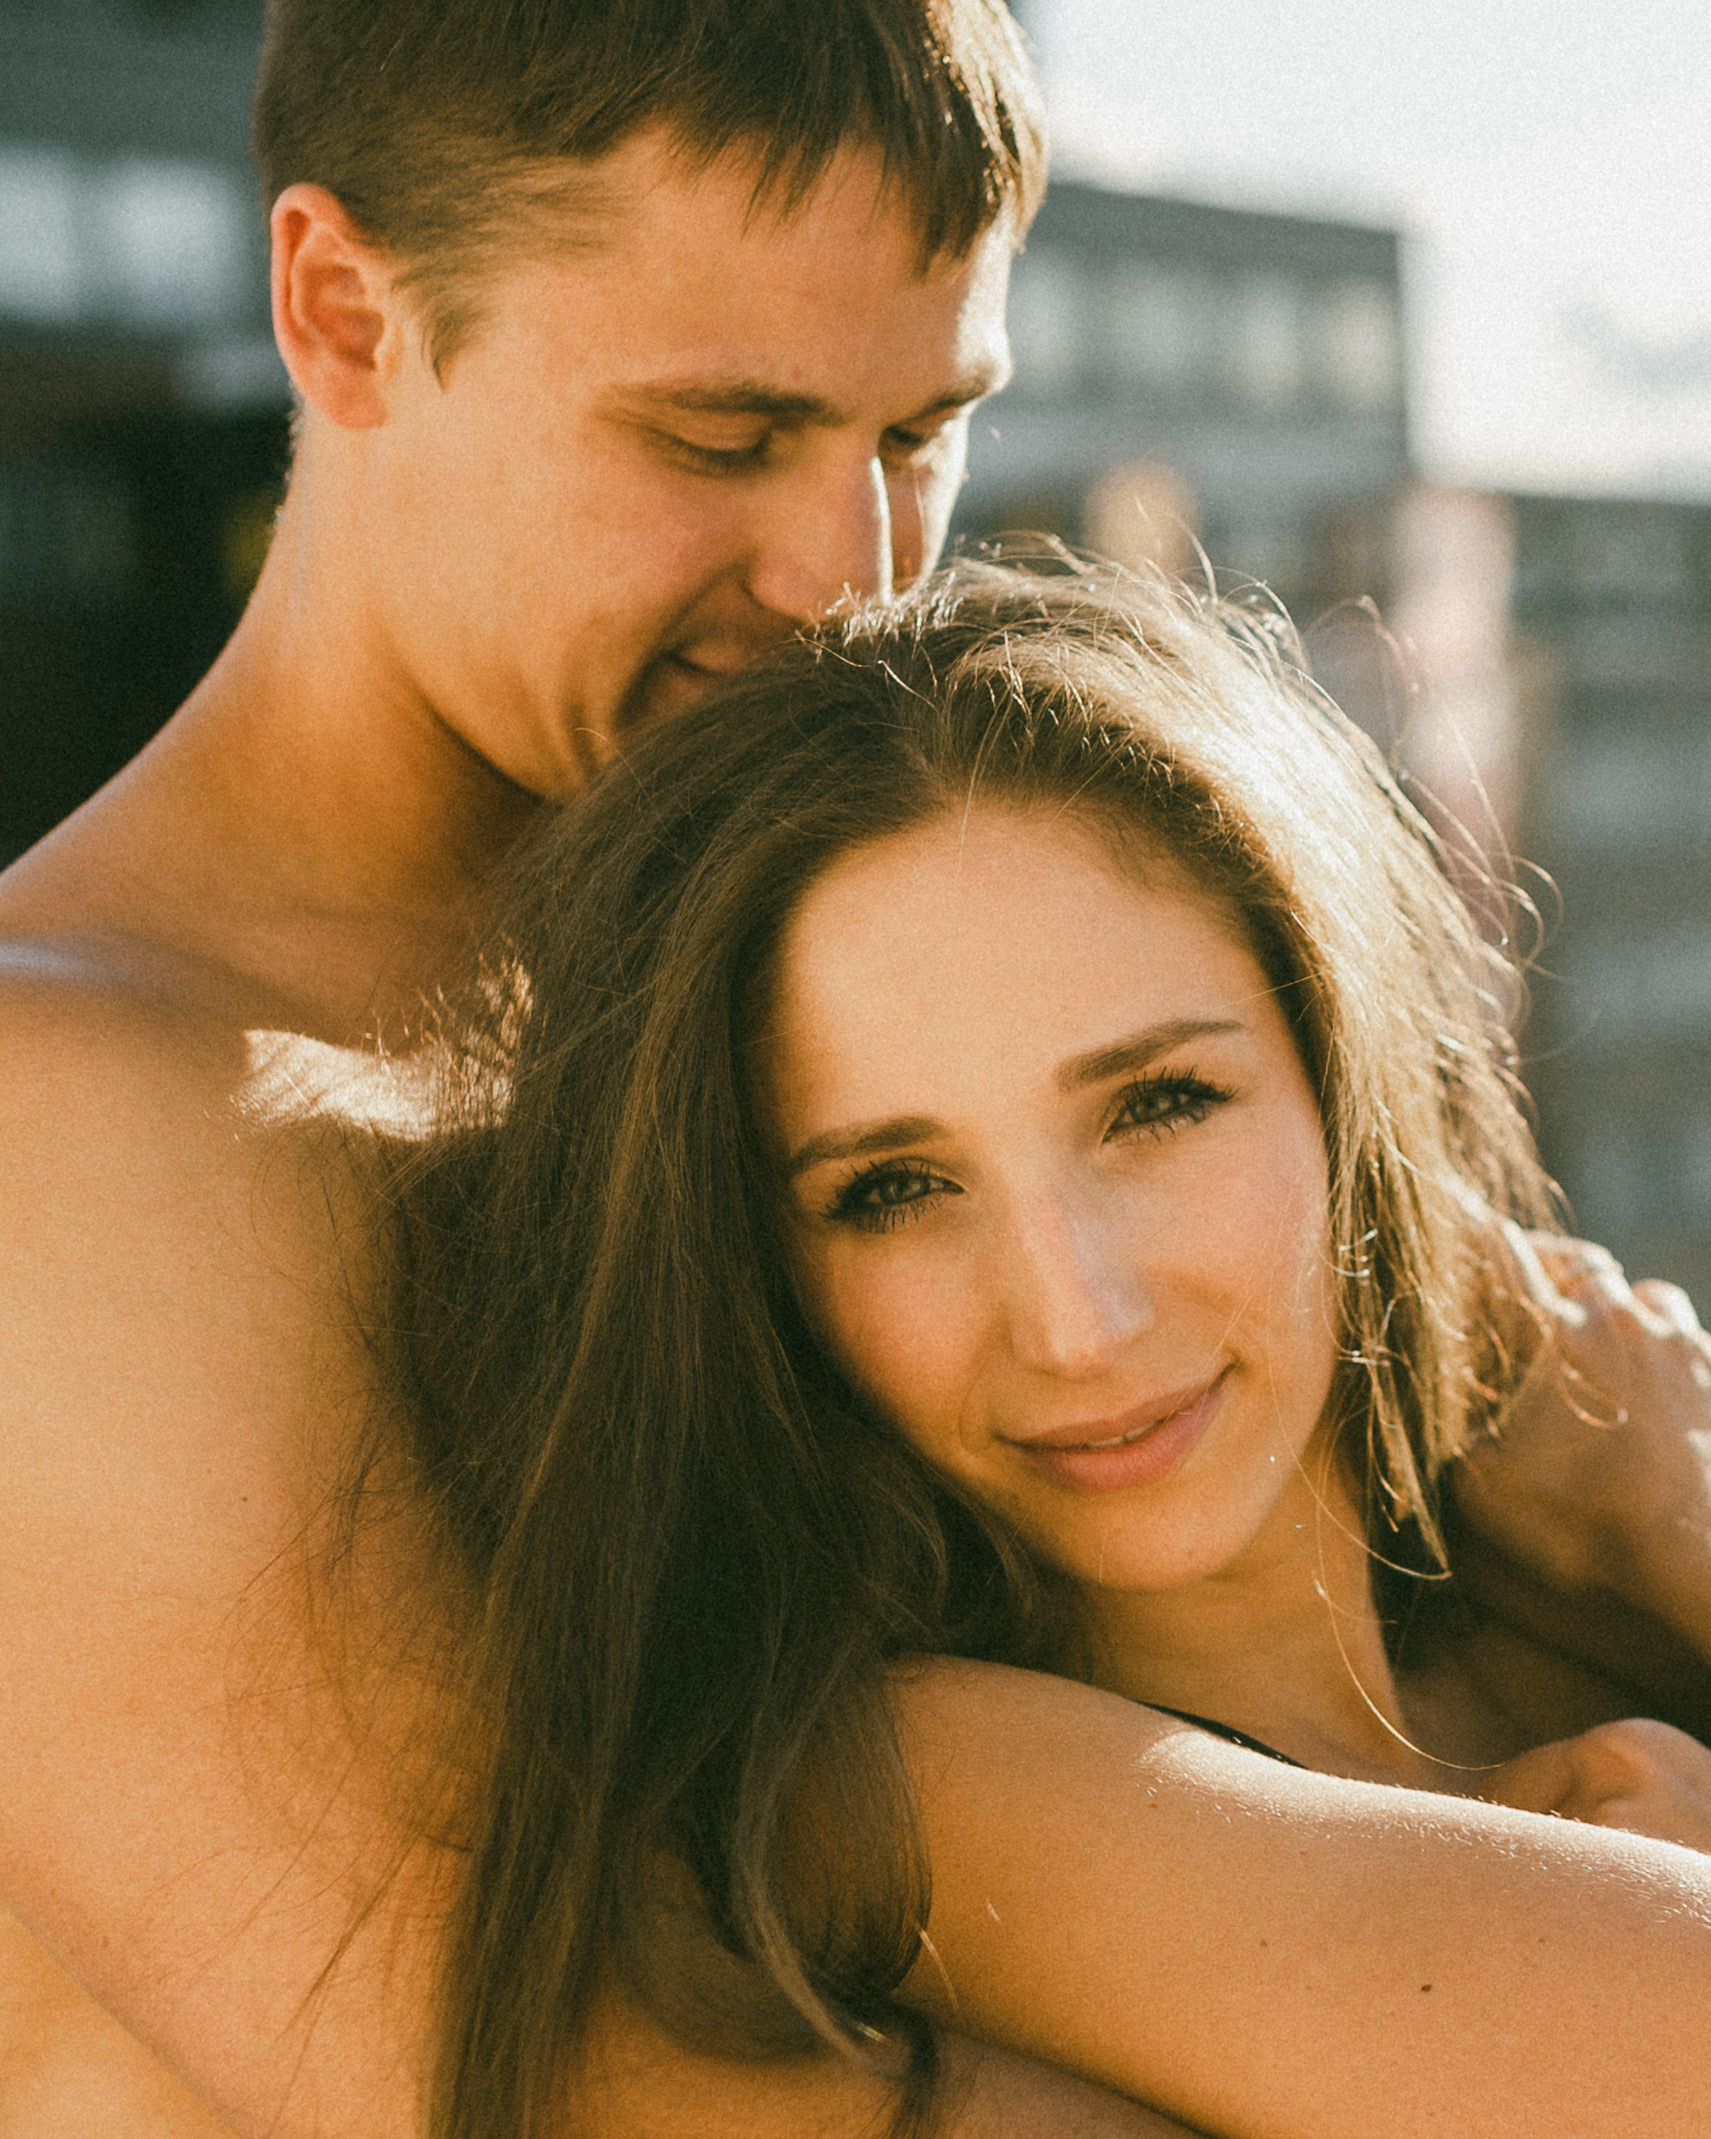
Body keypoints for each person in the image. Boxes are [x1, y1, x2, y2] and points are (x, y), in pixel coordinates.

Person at [0, 2, 1196, 2132]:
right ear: (343, 315)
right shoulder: (64, 1108)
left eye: (921, 433)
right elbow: (568, 2097)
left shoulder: (855, 992)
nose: (854, 580)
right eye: (722, 439)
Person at [382, 559, 1711, 2137]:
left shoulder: (1568, 1648)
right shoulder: (875, 1798)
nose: (1081, 1321)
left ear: (1336, 1077)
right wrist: (1678, 1521)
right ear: (755, 1269)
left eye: (1157, 1105)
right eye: (892, 1192)